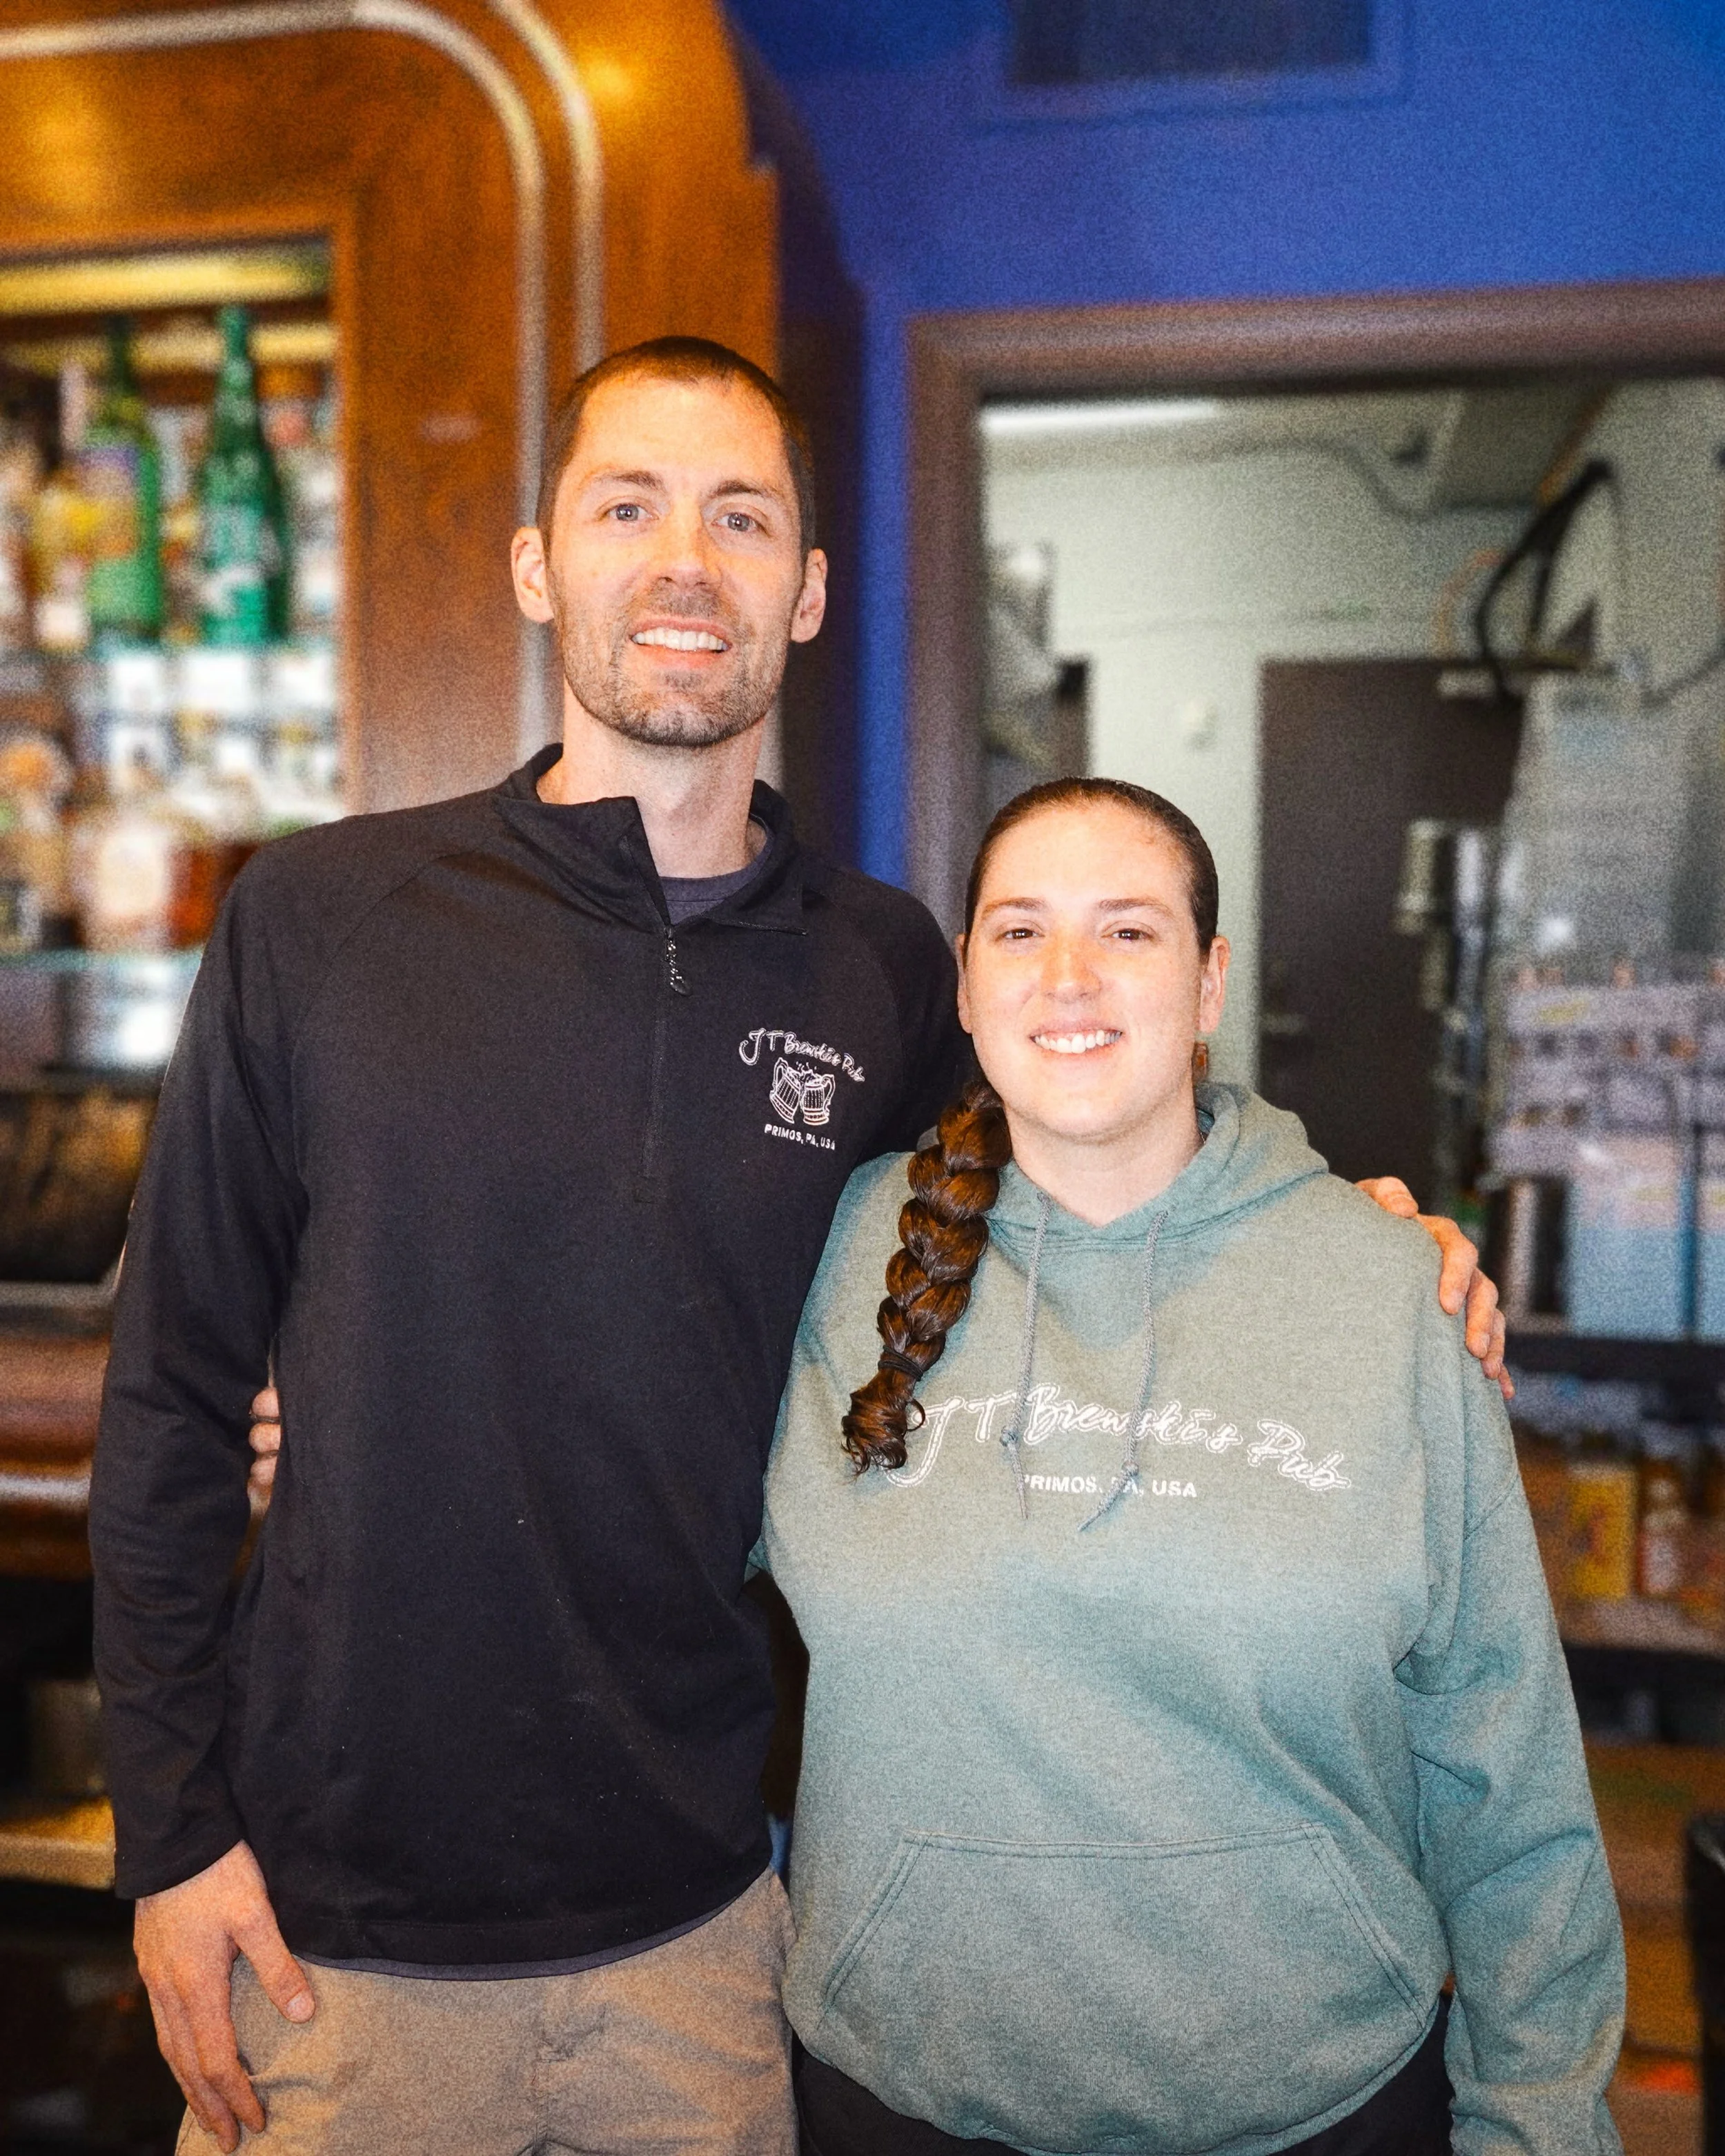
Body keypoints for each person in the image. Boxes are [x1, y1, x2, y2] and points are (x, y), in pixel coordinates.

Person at [94, 337, 1504, 2156]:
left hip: (708, 1929)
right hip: (334, 1944)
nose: (685, 560)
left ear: (808, 591)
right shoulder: (321, 917)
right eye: (627, 507)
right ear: (537, 564)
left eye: (740, 517)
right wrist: (173, 1835)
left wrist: (1334, 1238)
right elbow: (173, 1395)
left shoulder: (882, 964)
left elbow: (1074, 1193)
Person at [760, 778, 1622, 2156]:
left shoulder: (1385, 1292)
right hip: (900, 2095)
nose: (1069, 975)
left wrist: (1541, 2118)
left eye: (1129, 930)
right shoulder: (828, 1251)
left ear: (1210, 980)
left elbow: (1501, 1761)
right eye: (1020, 930)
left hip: (1320, 2104)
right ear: (967, 986)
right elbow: (634, 1552)